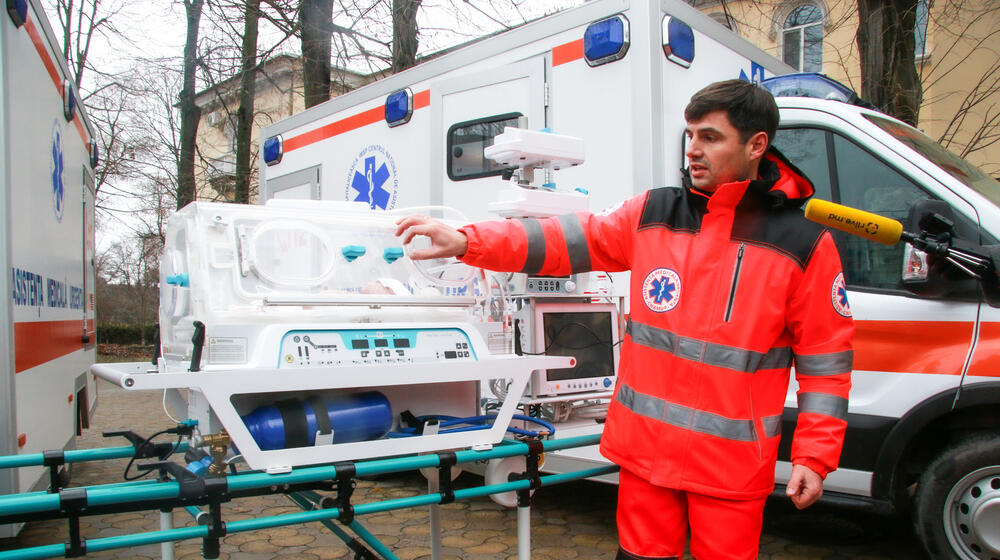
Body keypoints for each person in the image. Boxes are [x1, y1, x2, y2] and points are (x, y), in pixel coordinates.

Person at [396, 79, 853, 560]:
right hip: (645, 459)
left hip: (730, 469)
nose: (693, 150)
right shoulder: (654, 212)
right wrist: (469, 241)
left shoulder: (803, 244)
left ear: (757, 144)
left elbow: (826, 362)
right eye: (691, 135)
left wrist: (815, 458)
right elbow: (561, 240)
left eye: (711, 137)